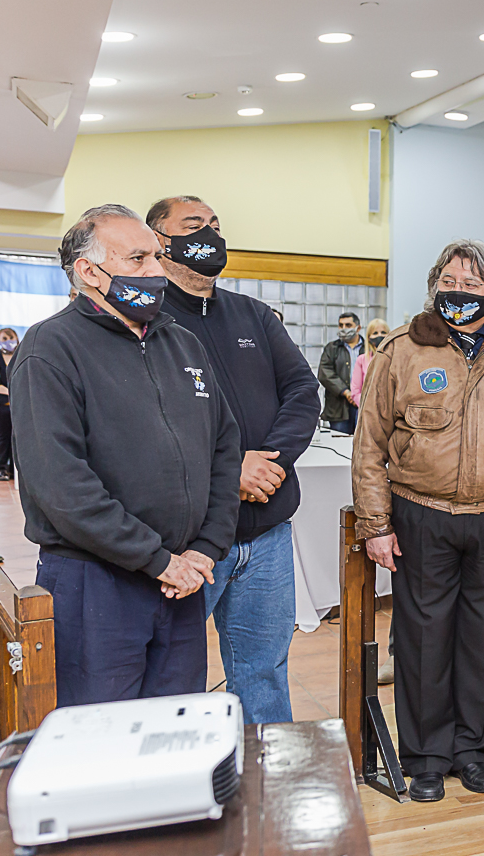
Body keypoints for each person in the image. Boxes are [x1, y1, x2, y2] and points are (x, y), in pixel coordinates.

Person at [10, 204, 240, 706]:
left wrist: (206, 547)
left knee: (173, 726)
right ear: (89, 272)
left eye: (156, 256)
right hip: (97, 582)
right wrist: (156, 560)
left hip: (182, 579)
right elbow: (61, 484)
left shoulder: (182, 343)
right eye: (138, 259)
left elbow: (224, 449)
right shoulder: (50, 348)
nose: (157, 270)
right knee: (99, 733)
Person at [352, 239, 484, 802]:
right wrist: (375, 525)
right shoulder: (401, 351)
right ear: (434, 287)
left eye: (471, 284)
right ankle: (426, 758)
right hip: (421, 514)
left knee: (482, 638)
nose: (458, 291)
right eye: (449, 282)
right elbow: (369, 447)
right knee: (424, 638)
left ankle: (471, 751)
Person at [149, 195, 321, 723]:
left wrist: (271, 462)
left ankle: (263, 770)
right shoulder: (148, 320)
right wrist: (231, 471)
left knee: (264, 672)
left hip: (267, 534)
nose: (210, 234)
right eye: (193, 225)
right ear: (159, 242)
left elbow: (302, 391)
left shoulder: (252, 314)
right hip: (191, 542)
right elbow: (148, 424)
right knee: (172, 674)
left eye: (215, 225)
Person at [319, 311, 364, 433]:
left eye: (348, 325)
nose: (344, 328)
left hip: (363, 404)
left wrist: (358, 395)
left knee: (362, 441)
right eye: (341, 325)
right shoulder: (332, 348)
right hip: (338, 406)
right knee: (339, 440)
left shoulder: (368, 348)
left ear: (358, 328)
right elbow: (325, 373)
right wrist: (346, 392)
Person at [0, 328, 19, 481]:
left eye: (11, 338)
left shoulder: (21, 356)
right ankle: (1, 469)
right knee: (3, 436)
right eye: (4, 338)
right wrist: (9, 391)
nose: (8, 341)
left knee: (17, 436)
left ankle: (15, 469)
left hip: (18, 403)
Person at [350, 318, 390, 409]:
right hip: (367, 410)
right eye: (375, 333)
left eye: (383, 332)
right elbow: (355, 391)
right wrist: (369, 406)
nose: (379, 335)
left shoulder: (396, 358)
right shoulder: (361, 360)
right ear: (369, 337)